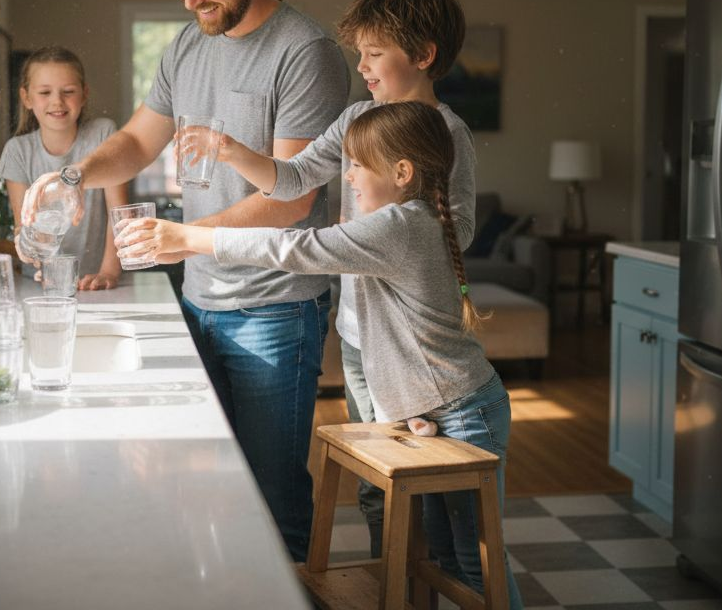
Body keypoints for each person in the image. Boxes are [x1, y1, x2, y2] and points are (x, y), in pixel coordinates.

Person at [22, 0, 348, 561]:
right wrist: (75, 174)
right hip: (201, 301)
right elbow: (139, 141)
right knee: (206, 489)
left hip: (275, 310)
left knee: (270, 498)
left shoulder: (305, 53)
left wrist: (187, 238)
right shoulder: (187, 47)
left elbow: (294, 197)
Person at [118, 102, 521, 606]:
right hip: (444, 409)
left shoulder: (399, 225)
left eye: (357, 164)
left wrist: (192, 238)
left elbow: (296, 248)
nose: (346, 176)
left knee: (477, 566)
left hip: (465, 412)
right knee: (444, 556)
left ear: (402, 173)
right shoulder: (403, 221)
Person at [181, 0, 476, 556]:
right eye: (359, 53)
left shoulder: (448, 133)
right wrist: (231, 148)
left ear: (422, 55)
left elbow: (457, 231)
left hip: (416, 349)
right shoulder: (354, 121)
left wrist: (378, 231)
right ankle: (388, 586)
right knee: (376, 487)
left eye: (374, 54)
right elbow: (292, 179)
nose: (362, 67)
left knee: (431, 501)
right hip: (359, 337)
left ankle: (431, 587)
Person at [0, 46, 127, 290]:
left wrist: (109, 272)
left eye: (68, 91)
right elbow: (23, 225)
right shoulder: (17, 151)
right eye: (45, 92)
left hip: (97, 279)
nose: (57, 101)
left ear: (84, 94)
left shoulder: (103, 134)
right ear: (26, 98)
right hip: (40, 281)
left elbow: (118, 214)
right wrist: (44, 266)